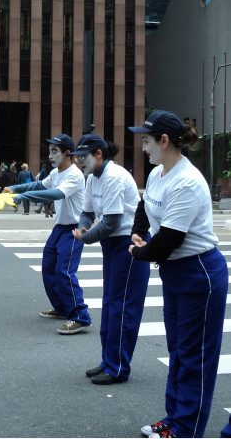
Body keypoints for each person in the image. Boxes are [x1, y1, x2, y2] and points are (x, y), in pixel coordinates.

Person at [128, 110, 228, 438]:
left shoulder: (187, 181)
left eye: (147, 141)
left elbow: (170, 240)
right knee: (179, 351)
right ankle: (174, 419)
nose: (143, 147)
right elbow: (144, 208)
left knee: (194, 356)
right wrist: (137, 233)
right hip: (175, 272)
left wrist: (139, 251)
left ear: (165, 141)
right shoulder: (159, 174)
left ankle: (186, 429)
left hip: (198, 273)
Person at [71, 134, 150, 385]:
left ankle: (117, 367)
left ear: (98, 154)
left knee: (122, 306)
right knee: (109, 303)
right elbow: (87, 212)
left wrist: (85, 238)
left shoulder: (114, 176)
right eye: (77, 158)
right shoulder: (93, 178)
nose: (79, 162)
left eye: (82, 157)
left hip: (127, 243)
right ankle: (108, 360)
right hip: (111, 243)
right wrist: (83, 227)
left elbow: (111, 221)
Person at [3, 133, 92, 334]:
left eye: (55, 152)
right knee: (48, 267)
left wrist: (23, 196)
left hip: (74, 228)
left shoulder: (74, 175)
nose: (50, 156)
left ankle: (80, 316)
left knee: (64, 272)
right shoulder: (56, 173)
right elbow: (39, 185)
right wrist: (14, 188)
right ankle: (62, 308)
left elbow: (56, 194)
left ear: (67, 153)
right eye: (49, 151)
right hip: (60, 228)